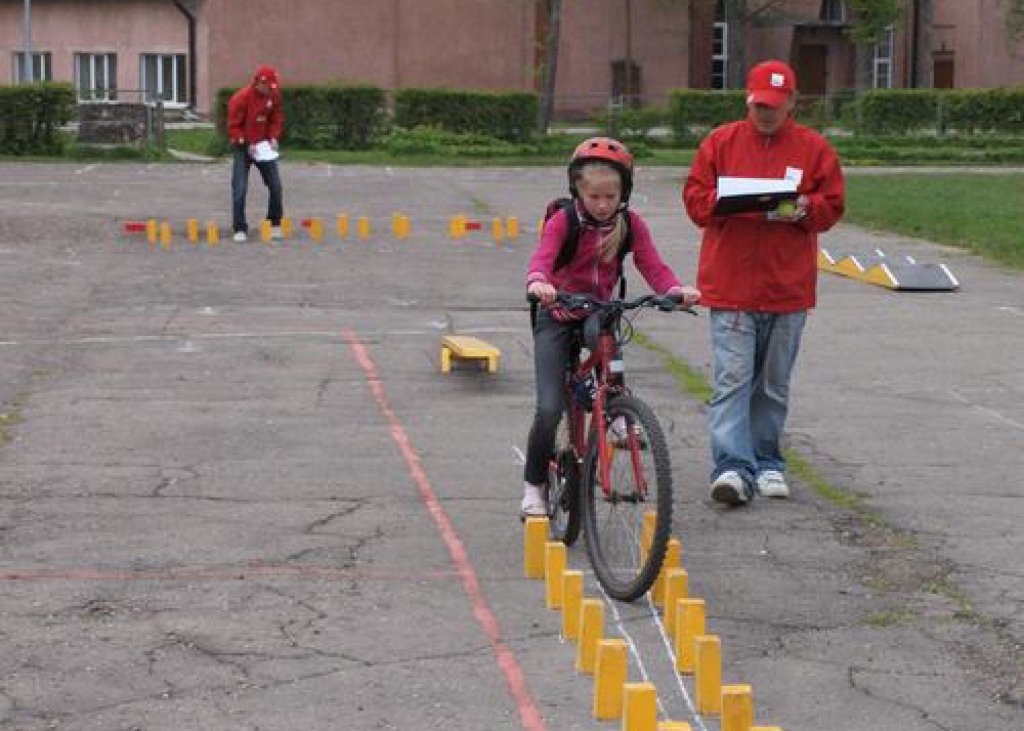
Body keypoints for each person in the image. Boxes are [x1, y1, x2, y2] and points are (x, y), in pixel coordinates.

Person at [683, 59, 845, 507]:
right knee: (733, 380)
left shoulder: (814, 149)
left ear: (792, 101)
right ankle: (732, 467)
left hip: (786, 288)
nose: (766, 114)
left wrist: (798, 208)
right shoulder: (720, 142)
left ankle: (769, 463)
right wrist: (726, 201)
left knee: (772, 384)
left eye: (775, 106)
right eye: (759, 106)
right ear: (747, 101)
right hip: (731, 286)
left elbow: (831, 207)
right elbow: (696, 202)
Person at [523, 137, 702, 517]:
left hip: (596, 311)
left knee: (603, 335)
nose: (603, 205)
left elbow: (652, 265)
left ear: (625, 193)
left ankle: (617, 410)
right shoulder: (564, 221)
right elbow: (542, 258)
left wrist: (674, 291)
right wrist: (540, 282)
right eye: (594, 197)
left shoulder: (631, 225)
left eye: (611, 196)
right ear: (578, 191)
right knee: (549, 408)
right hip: (556, 314)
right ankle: (534, 487)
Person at [227, 65, 285, 242]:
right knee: (240, 188)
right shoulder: (241, 98)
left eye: (273, 87)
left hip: (263, 147)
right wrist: (244, 142)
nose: (271, 90)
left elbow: (276, 119)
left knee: (276, 186)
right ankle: (240, 228)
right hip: (243, 147)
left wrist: (273, 137)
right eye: (269, 86)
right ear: (260, 82)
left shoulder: (273, 95)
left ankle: (274, 223)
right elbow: (233, 126)